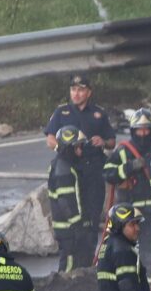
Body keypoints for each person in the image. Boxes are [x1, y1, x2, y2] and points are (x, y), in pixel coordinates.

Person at [43, 74, 116, 233]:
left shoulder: (99, 113)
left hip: (93, 171)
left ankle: (90, 253)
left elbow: (112, 141)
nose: (76, 93)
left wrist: (103, 141)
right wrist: (65, 150)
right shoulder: (61, 112)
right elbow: (50, 140)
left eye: (80, 90)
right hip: (70, 170)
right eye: (73, 89)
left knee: (93, 216)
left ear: (89, 92)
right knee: (71, 213)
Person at [103, 108, 151, 270]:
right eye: (139, 130)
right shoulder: (124, 150)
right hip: (130, 212)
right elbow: (108, 173)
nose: (143, 134)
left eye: (146, 129)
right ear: (133, 131)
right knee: (130, 250)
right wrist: (130, 167)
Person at [48, 126, 95, 272]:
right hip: (69, 230)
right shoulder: (64, 170)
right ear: (68, 149)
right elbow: (66, 202)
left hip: (71, 229)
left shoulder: (65, 165)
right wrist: (78, 226)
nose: (80, 151)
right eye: (77, 148)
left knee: (81, 265)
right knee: (68, 267)